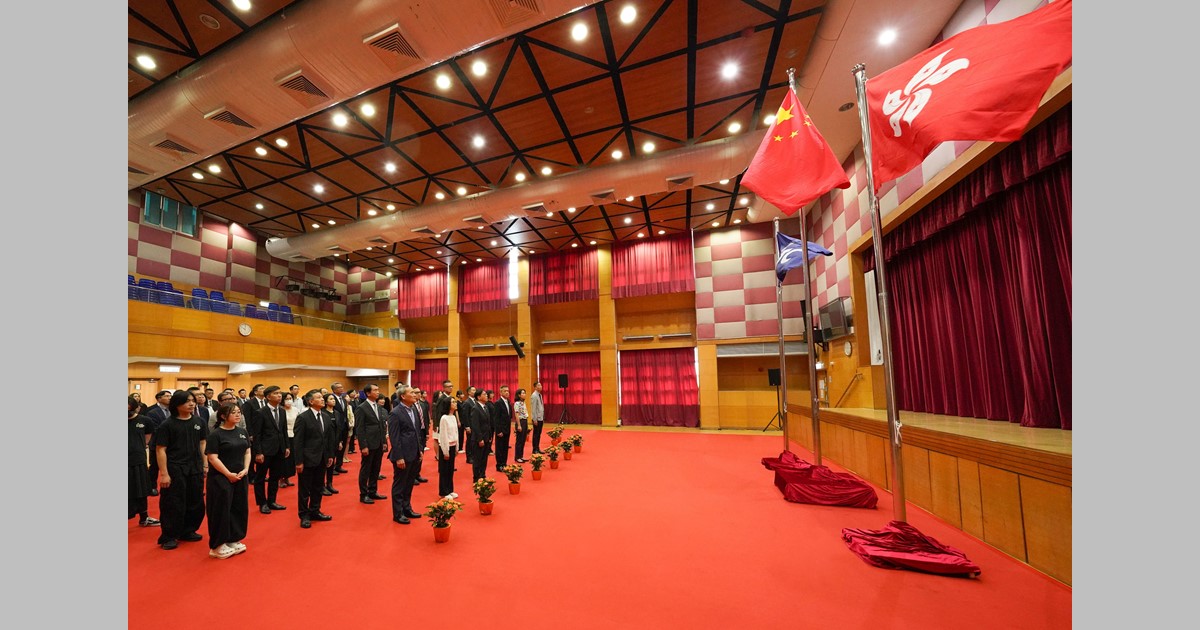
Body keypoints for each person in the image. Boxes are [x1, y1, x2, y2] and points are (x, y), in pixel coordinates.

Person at [155, 390, 207, 550]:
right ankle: (169, 536)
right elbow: (160, 449)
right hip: (175, 468)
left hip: (195, 467)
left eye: (193, 400)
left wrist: (205, 464)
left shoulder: (199, 422)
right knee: (173, 503)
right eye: (187, 401)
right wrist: (164, 474)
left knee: (195, 501)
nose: (192, 403)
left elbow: (203, 443)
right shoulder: (167, 424)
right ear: (177, 405)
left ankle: (188, 530)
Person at [205, 402, 250, 559]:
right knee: (220, 510)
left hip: (240, 476)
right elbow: (212, 458)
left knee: (238, 507)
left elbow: (247, 451)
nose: (238, 415)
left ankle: (233, 539)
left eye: (239, 412)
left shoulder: (242, 431)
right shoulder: (216, 434)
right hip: (220, 478)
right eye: (234, 413)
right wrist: (228, 474)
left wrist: (245, 469)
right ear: (223, 416)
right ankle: (217, 545)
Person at [292, 389, 336, 529]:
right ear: (311, 401)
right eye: (318, 397)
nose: (322, 399)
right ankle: (304, 515)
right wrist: (298, 461)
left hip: (322, 457)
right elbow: (298, 442)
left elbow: (328, 438)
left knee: (318, 487)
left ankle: (315, 510)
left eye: (322, 397)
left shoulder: (326, 416)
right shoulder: (303, 417)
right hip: (307, 458)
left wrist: (330, 455)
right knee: (305, 489)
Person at [248, 385, 290, 514]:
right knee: (260, 478)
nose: (279, 395)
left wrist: (287, 446)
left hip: (279, 449)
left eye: (279, 393)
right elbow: (257, 435)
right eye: (276, 393)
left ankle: (272, 501)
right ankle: (262, 503)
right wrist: (258, 452)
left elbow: (283, 431)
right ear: (268, 397)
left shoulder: (282, 411)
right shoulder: (260, 412)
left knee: (275, 476)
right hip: (265, 450)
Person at [386, 385, 423, 525]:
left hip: (414, 452)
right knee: (400, 484)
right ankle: (398, 513)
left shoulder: (413, 409)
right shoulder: (395, 413)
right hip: (402, 454)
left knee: (409, 484)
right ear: (403, 396)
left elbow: (416, 433)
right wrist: (399, 456)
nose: (415, 394)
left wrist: (420, 450)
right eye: (411, 393)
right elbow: (394, 438)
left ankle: (407, 508)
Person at [128, 395, 159, 527]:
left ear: (136, 408)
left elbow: (147, 438)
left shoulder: (145, 420)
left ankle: (144, 517)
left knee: (141, 489)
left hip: (138, 459)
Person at [355, 384, 389, 504]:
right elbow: (360, 428)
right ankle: (363, 494)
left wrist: (384, 442)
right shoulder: (362, 408)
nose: (378, 392)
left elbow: (382, 426)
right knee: (366, 469)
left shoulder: (379, 407)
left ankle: (373, 491)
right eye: (375, 390)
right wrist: (363, 446)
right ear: (368, 393)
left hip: (379, 442)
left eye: (378, 389)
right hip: (368, 443)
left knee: (376, 468)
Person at [434, 397, 460, 500]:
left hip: (453, 446)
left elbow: (456, 433)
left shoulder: (453, 417)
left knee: (450, 470)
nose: (455, 403)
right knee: (444, 470)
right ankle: (443, 492)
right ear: (448, 404)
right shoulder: (444, 418)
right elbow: (443, 435)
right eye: (453, 402)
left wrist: (457, 447)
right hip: (446, 447)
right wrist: (445, 451)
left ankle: (450, 489)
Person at [466, 388, 493, 482]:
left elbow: (488, 424)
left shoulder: (485, 407)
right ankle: (476, 478)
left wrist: (489, 437)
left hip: (486, 437)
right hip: (478, 439)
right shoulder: (475, 408)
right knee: (477, 459)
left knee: (484, 458)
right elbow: (475, 425)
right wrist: (480, 439)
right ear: (478, 397)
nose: (486, 396)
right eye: (484, 394)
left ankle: (482, 474)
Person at [322, 392, 344, 496]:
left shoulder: (337, 413)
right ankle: (321, 486)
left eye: (334, 399)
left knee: (331, 464)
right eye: (331, 399)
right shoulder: (322, 413)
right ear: (326, 401)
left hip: (334, 442)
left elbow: (339, 429)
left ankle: (329, 484)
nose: (333, 401)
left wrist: (340, 441)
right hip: (324, 443)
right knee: (323, 465)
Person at [279, 391, 299, 488]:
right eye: (286, 399)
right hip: (284, 436)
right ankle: (281, 478)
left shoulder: (295, 409)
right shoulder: (280, 410)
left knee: (292, 458)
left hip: (294, 435)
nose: (289, 401)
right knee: (284, 458)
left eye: (290, 398)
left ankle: (287, 477)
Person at [492, 385, 513, 471]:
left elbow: (509, 416)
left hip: (507, 428)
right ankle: (499, 465)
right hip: (501, 430)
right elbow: (496, 418)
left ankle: (504, 463)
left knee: (505, 447)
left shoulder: (508, 401)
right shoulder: (498, 403)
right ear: (500, 392)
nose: (507, 392)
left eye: (508, 391)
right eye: (505, 391)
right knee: (499, 448)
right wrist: (498, 431)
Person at [513, 388, 530, 463]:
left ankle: (521, 456)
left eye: (525, 393)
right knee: (519, 440)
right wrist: (519, 425)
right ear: (519, 395)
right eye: (523, 393)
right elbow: (517, 414)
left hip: (525, 421)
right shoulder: (517, 403)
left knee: (523, 440)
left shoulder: (523, 403)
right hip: (520, 421)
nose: (524, 394)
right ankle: (517, 457)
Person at [529, 381, 545, 454]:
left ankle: (537, 448)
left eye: (541, 385)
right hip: (536, 419)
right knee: (536, 434)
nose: (540, 386)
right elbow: (533, 408)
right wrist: (534, 419)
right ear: (535, 387)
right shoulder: (534, 396)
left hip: (540, 417)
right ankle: (534, 449)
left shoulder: (539, 395)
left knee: (539, 434)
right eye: (539, 385)